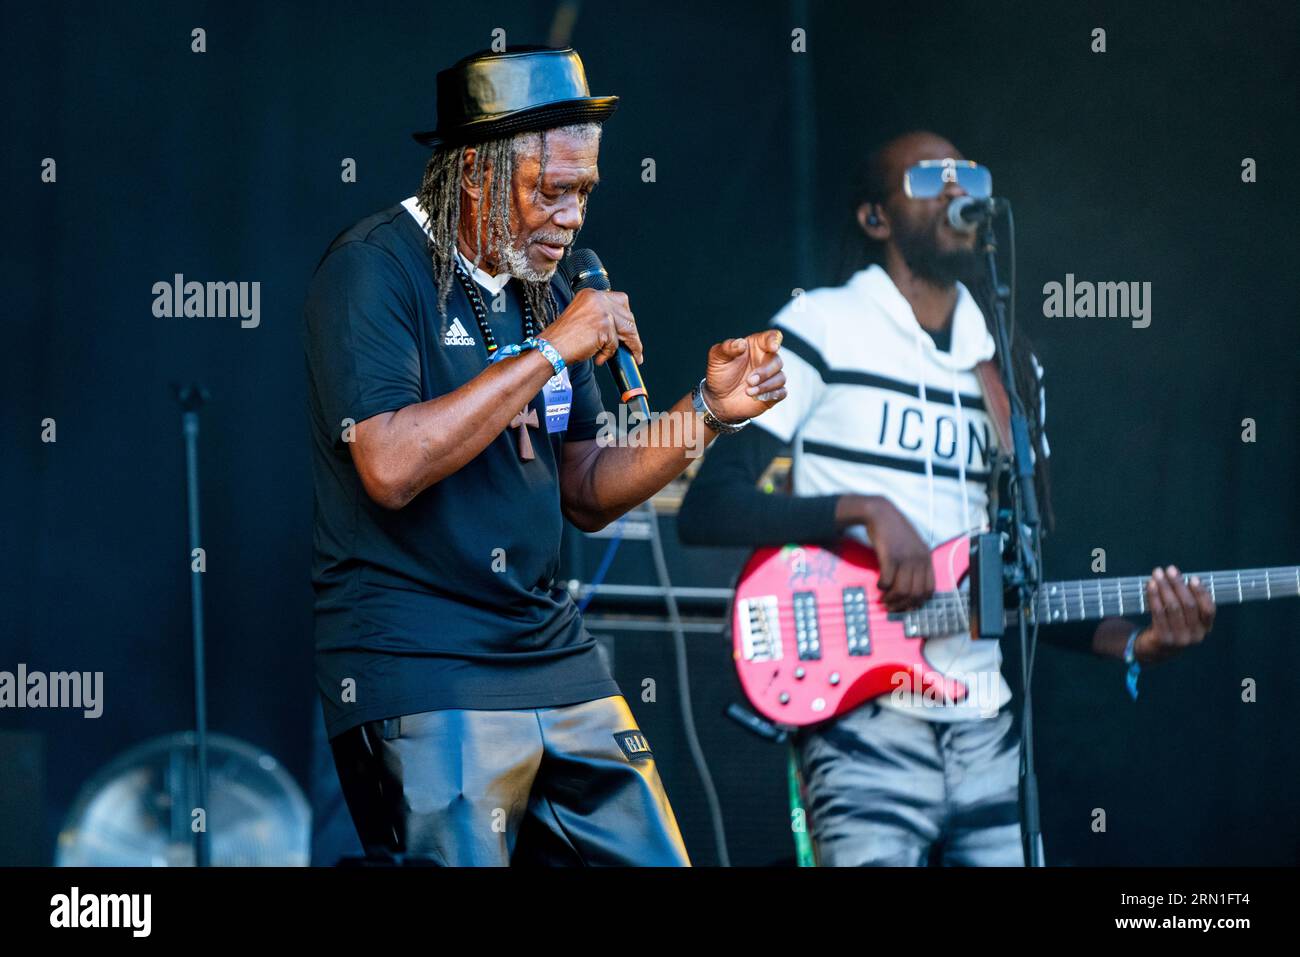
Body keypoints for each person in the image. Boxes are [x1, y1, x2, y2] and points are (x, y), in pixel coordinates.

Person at [303, 46, 787, 866]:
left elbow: (590, 487)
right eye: (550, 191)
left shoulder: (545, 287)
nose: (572, 217)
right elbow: (387, 465)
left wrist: (704, 413)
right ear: (476, 176)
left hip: (554, 657)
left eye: (584, 191)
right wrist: (553, 352)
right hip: (424, 663)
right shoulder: (372, 269)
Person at [677, 130, 1215, 866]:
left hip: (985, 723)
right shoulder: (818, 329)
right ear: (875, 218)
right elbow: (710, 506)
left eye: (971, 177)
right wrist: (861, 508)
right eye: (931, 179)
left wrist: (1134, 643)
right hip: (860, 715)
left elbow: (1013, 585)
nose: (961, 190)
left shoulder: (1009, 367)